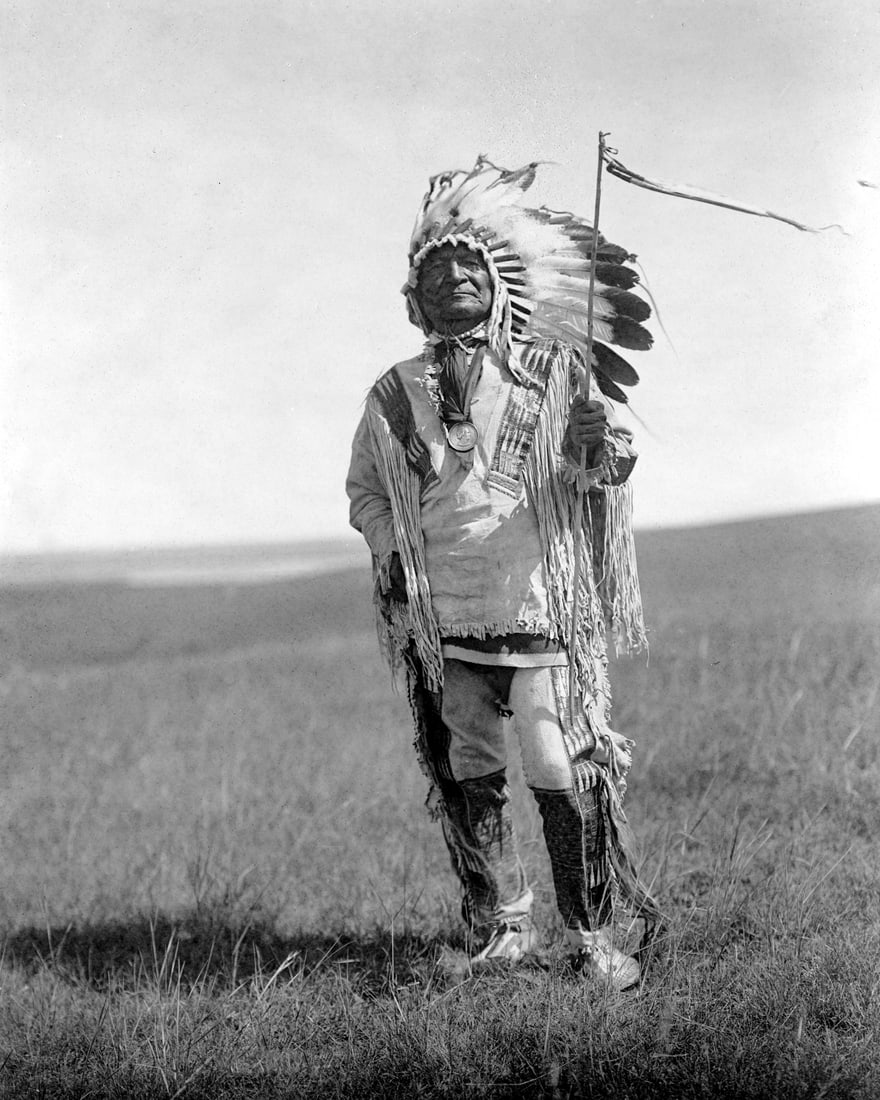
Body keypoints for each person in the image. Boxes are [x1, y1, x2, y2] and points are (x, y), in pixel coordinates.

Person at [346, 157, 658, 990]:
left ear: (497, 283)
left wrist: (601, 447)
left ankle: (590, 939)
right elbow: (367, 493)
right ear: (414, 299)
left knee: (558, 763)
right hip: (445, 618)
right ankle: (504, 929)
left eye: (466, 268)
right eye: (435, 274)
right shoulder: (393, 392)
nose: (452, 283)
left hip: (539, 605)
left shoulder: (556, 372)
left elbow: (603, 473)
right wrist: (397, 553)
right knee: (470, 767)